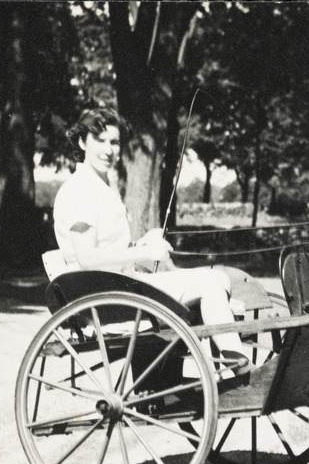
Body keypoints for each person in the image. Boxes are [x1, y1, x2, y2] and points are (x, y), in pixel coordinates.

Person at [50, 107, 250, 373]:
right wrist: (143, 254)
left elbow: (107, 251)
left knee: (216, 280)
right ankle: (239, 368)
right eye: (100, 141)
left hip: (119, 289)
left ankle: (229, 364)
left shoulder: (100, 188)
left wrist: (141, 244)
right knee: (214, 281)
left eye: (114, 142)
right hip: (107, 299)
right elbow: (87, 258)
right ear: (82, 142)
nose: (108, 150)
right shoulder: (80, 190)